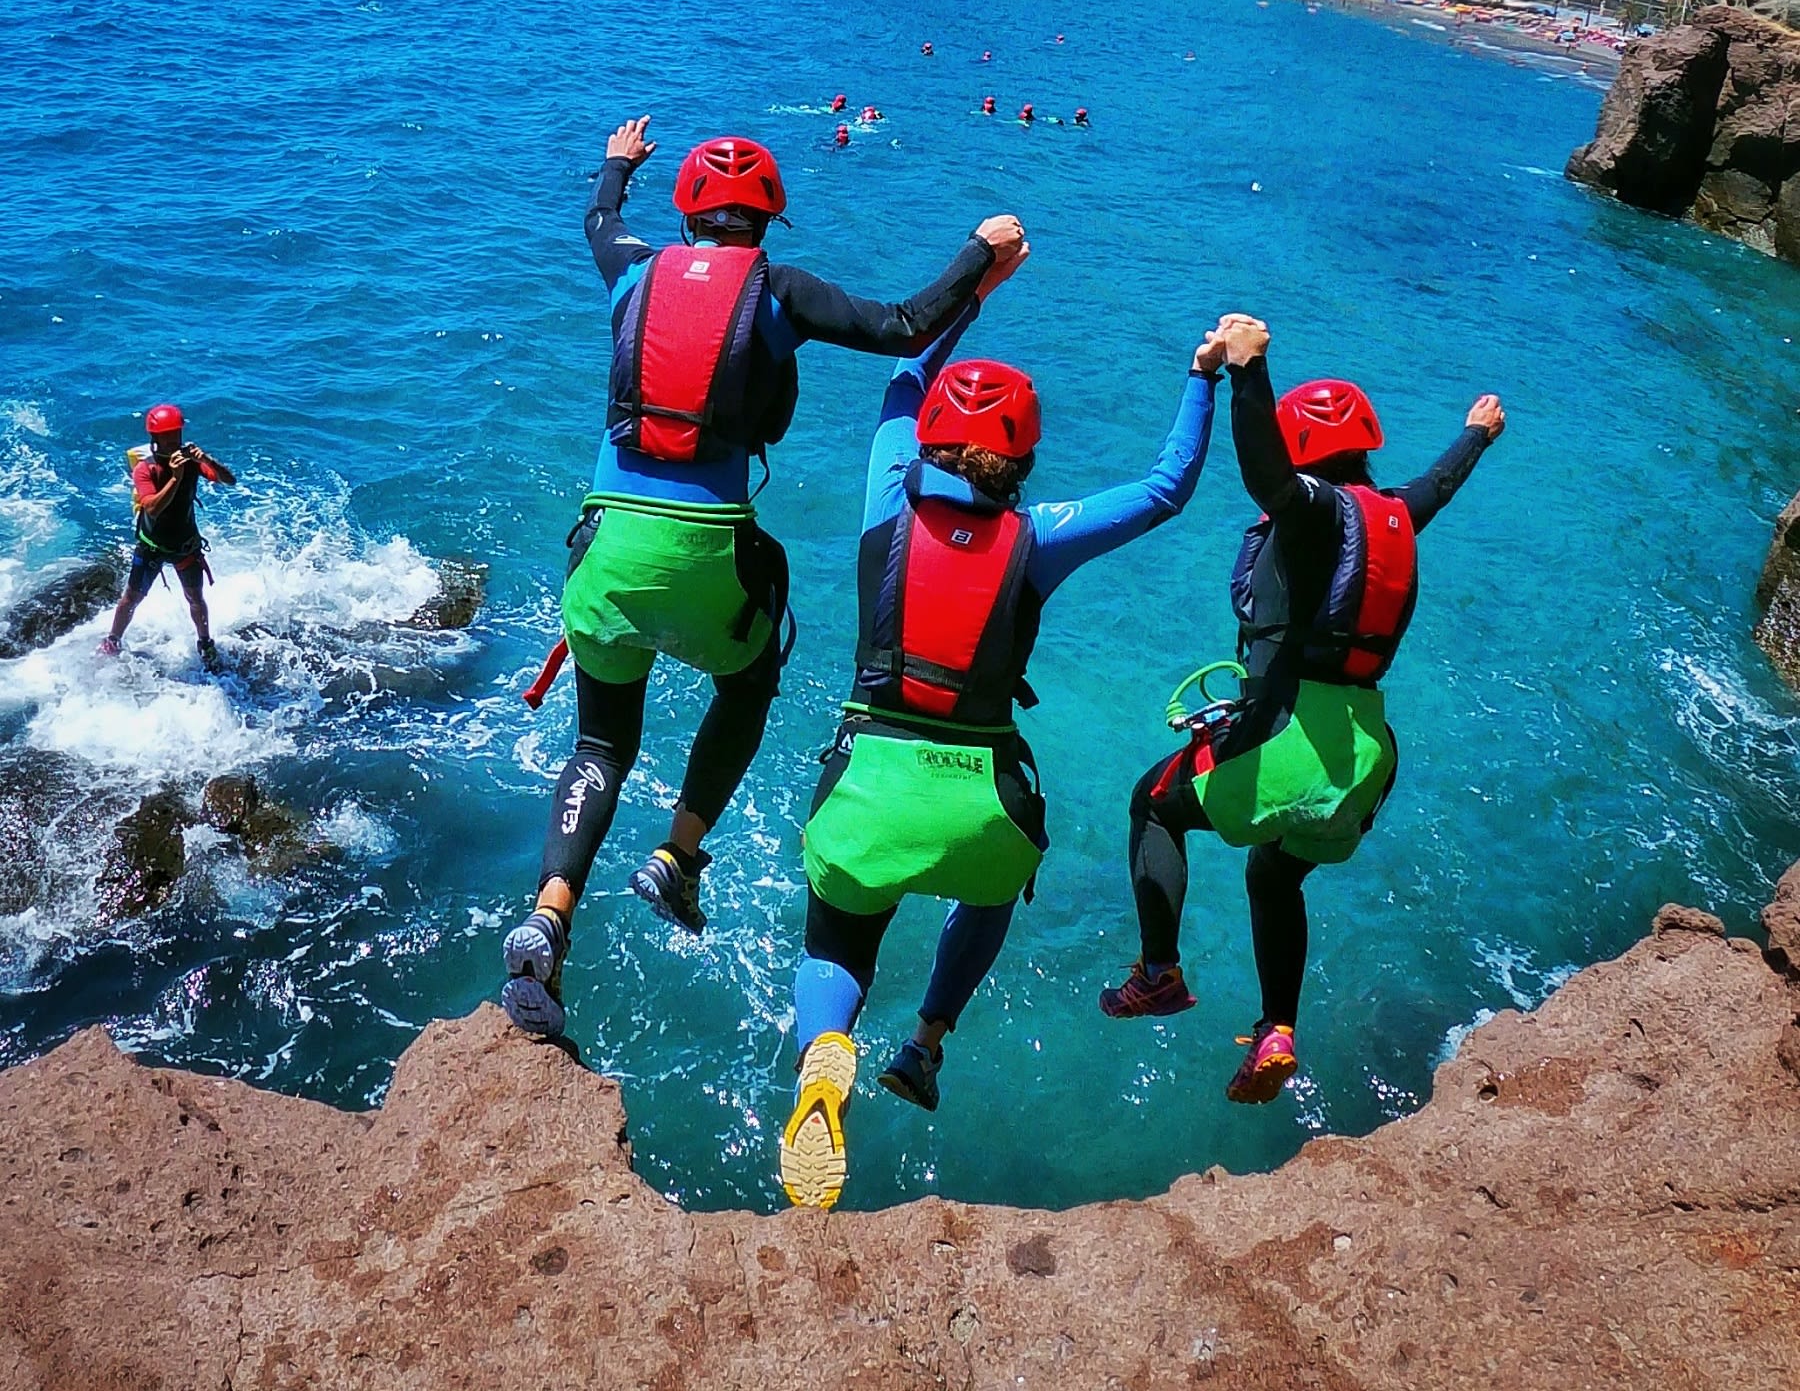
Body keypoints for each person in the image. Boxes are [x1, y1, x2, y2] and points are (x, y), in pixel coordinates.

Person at [500, 116, 1029, 1039]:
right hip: (708, 554)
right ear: (767, 219)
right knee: (747, 681)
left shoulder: (631, 266)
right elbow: (905, 324)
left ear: (688, 215)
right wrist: (978, 257)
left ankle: (550, 916)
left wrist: (617, 167)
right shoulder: (780, 291)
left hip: (608, 546)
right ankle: (680, 854)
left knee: (599, 746)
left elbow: (596, 219)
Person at [777, 299, 1228, 1210]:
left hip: (870, 782)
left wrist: (972, 290)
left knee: (839, 943)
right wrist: (1203, 376)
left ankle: (829, 1051)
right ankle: (928, 1041)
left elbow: (901, 380)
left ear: (934, 440)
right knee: (984, 891)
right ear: (1021, 463)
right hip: (986, 802)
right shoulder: (1038, 537)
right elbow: (1165, 487)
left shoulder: (883, 496)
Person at [1101, 313, 1505, 1106]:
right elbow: (1438, 486)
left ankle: (1157, 974)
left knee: (1153, 805)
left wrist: (1247, 373)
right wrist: (1475, 435)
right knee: (1274, 874)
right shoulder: (1390, 515)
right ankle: (1277, 1030)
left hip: (1288, 733)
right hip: (1366, 757)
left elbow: (1268, 479)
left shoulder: (1311, 509)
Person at [99, 404, 237, 668]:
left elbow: (229, 480)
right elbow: (151, 507)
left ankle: (205, 643)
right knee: (132, 597)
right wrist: (175, 478)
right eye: (168, 434)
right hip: (152, 545)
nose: (175, 439)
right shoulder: (146, 470)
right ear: (155, 438)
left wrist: (206, 460)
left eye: (177, 433)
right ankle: (113, 639)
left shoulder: (192, 464)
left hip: (185, 544)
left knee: (195, 598)